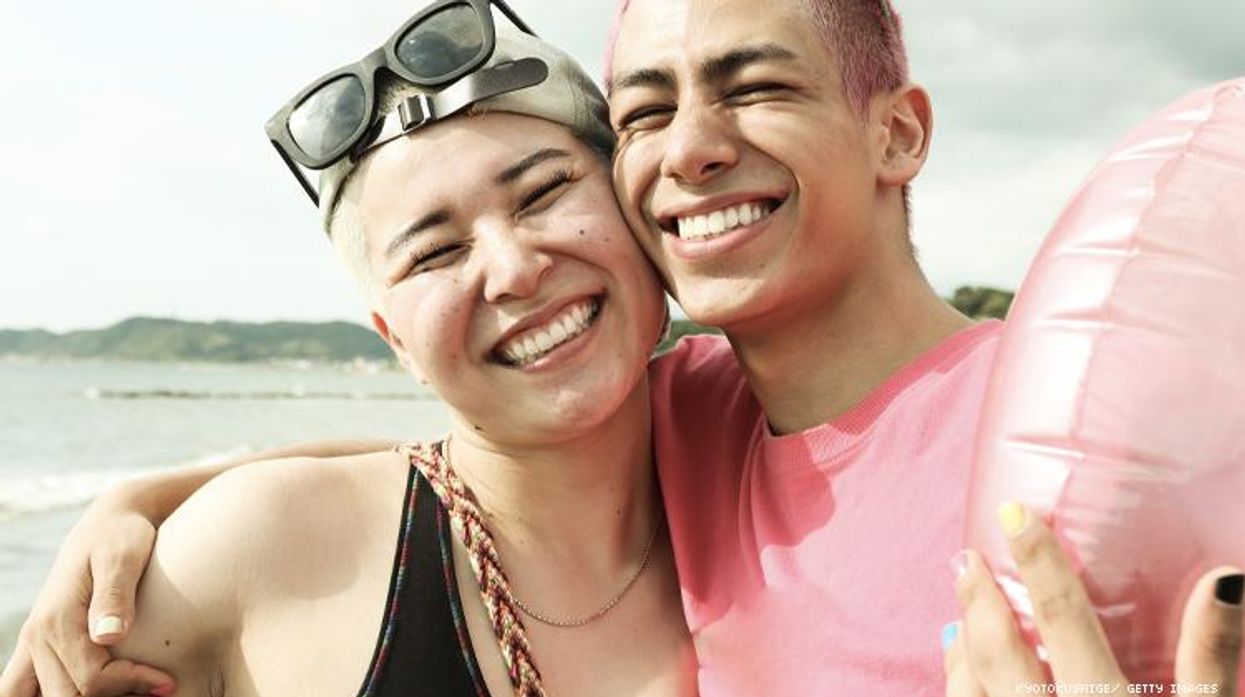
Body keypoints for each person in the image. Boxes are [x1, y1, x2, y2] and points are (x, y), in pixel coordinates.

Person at [4, 0, 1241, 696]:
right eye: (645, 112)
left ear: (899, 133)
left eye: (754, 86)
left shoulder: (1064, 430)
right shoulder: (690, 411)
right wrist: (147, 495)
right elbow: (473, 452)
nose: (691, 149)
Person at [3, 14, 696, 697]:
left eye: (543, 192)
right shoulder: (251, 554)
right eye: (435, 251)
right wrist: (147, 503)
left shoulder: (756, 456)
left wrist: (149, 492)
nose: (513, 269)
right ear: (396, 341)